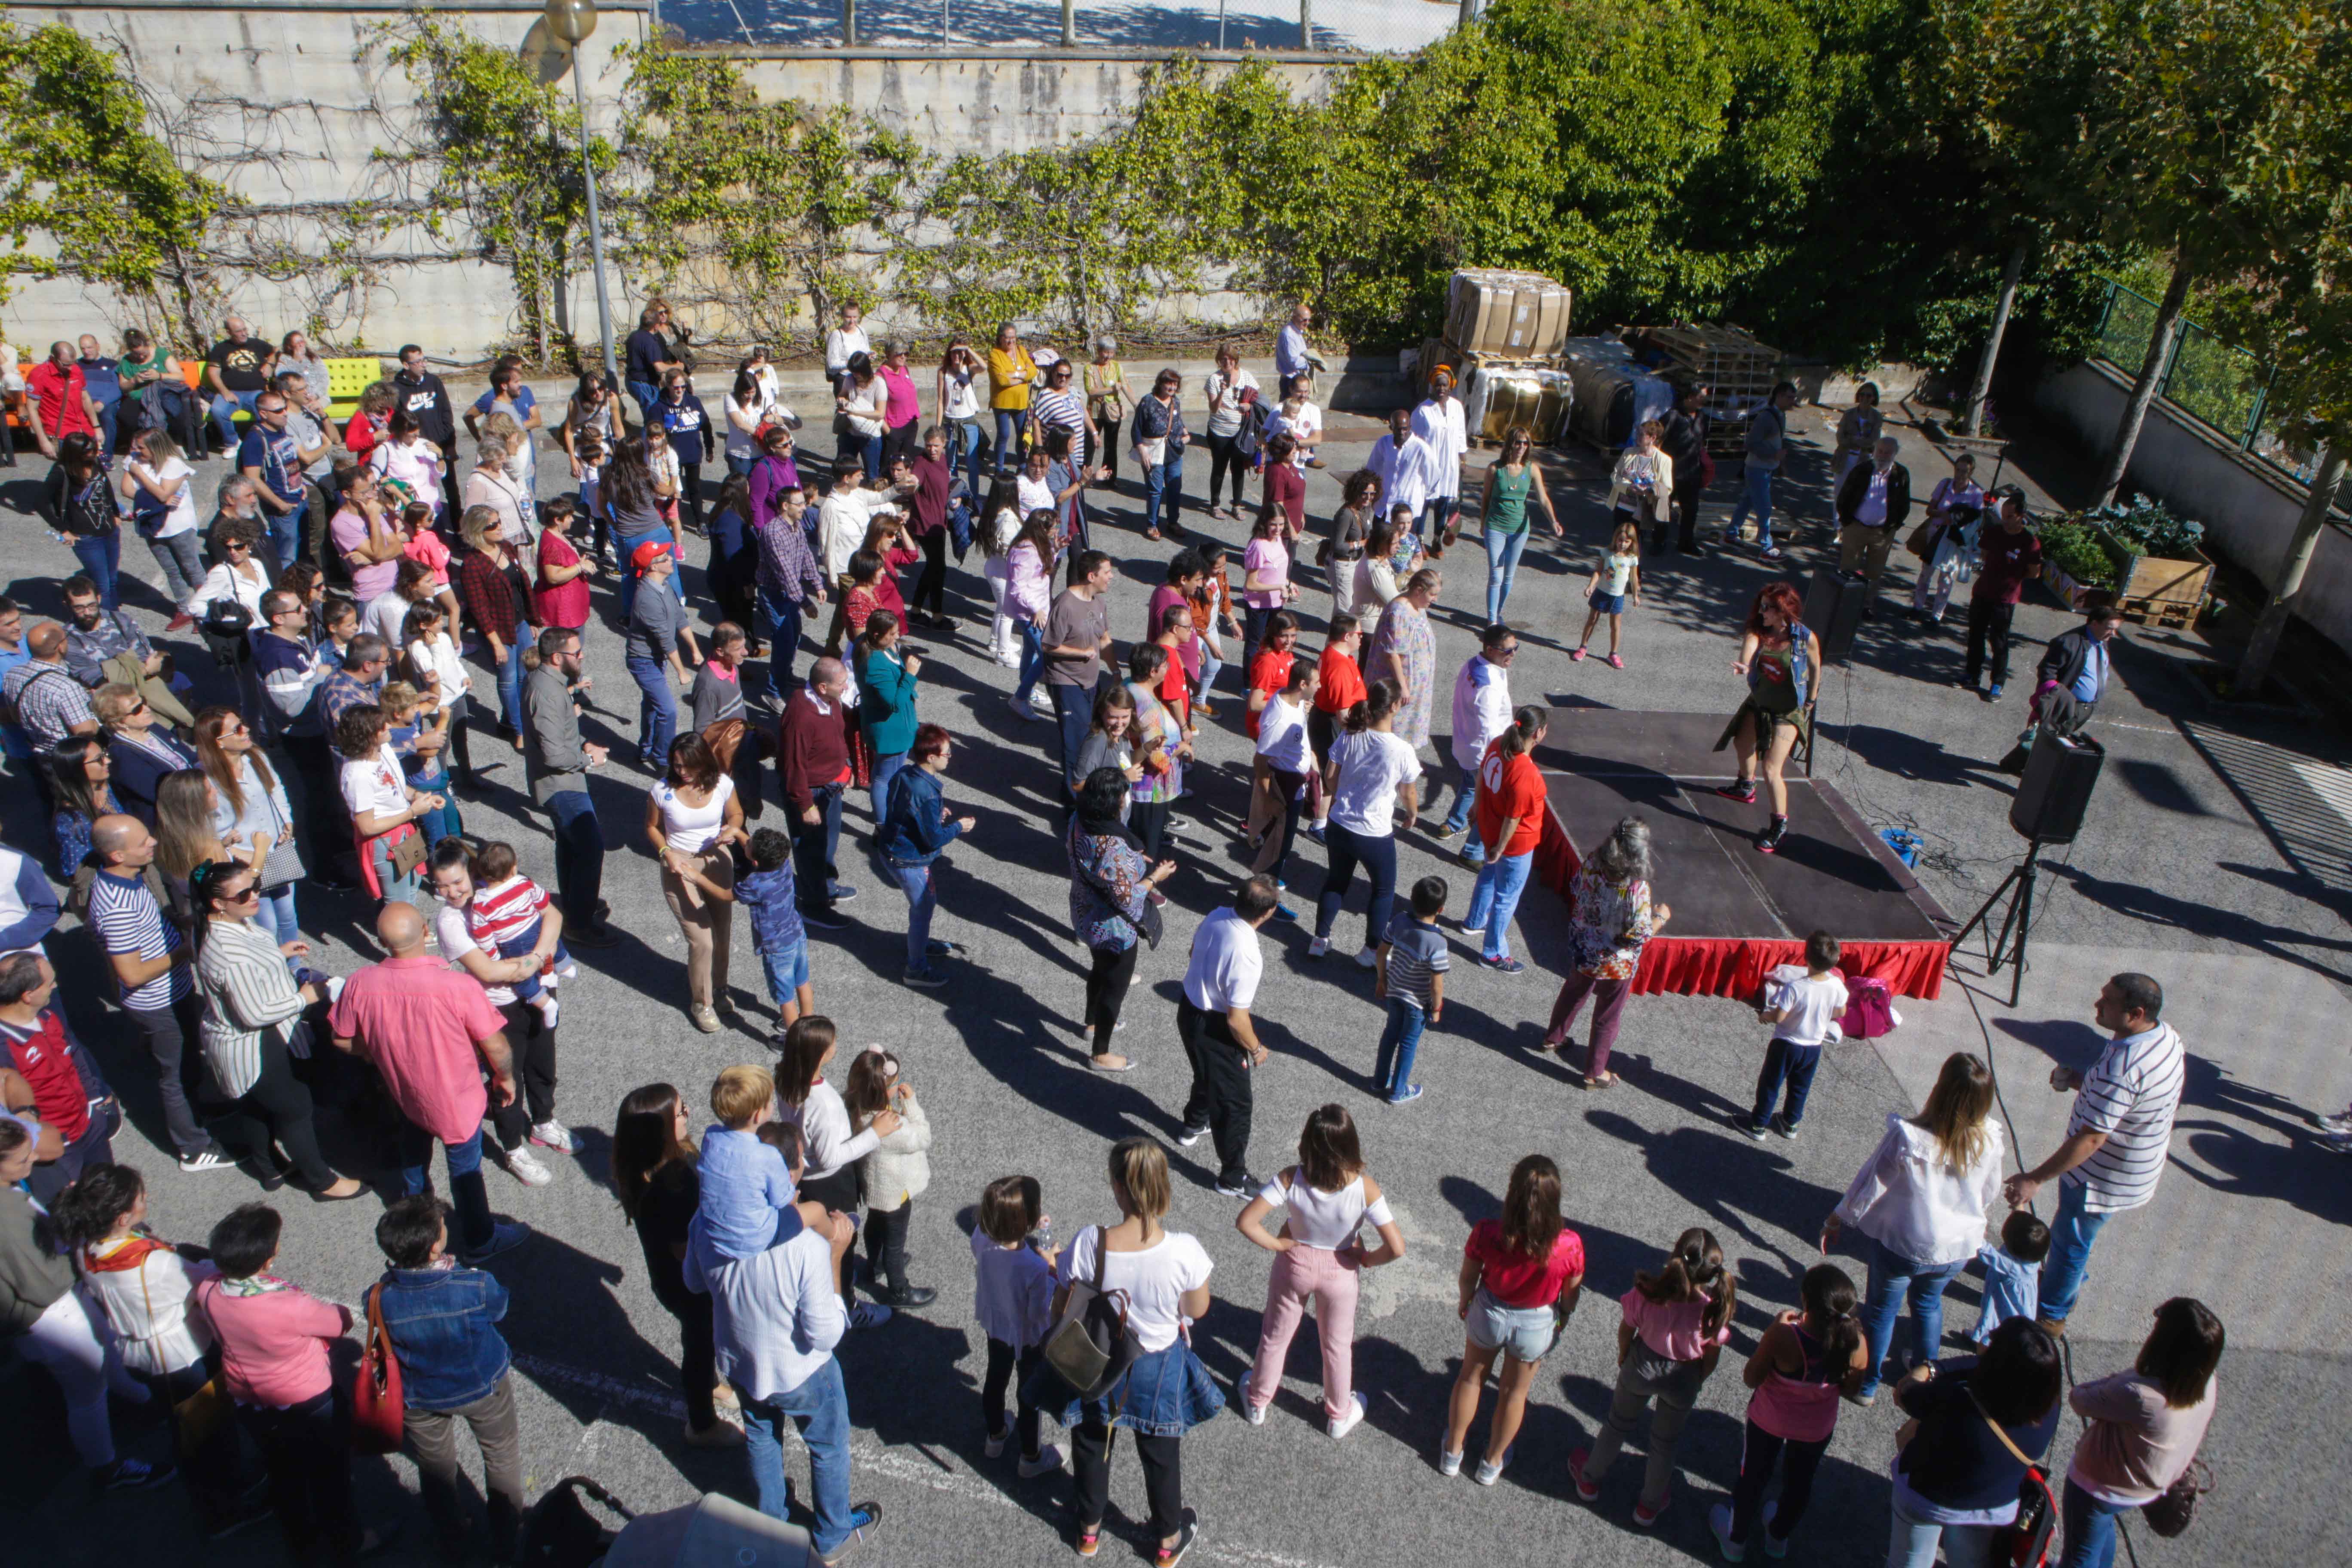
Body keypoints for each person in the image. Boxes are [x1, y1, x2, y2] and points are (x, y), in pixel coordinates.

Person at [684, 1115, 885, 1563]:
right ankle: (831, 1535)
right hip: (800, 1370)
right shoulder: (805, 1248)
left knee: (761, 1435)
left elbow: (694, 1283)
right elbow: (826, 1333)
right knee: (828, 1447)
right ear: (792, 1173)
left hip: (741, 1360)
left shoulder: (708, 1223)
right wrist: (835, 1256)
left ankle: (770, 1522)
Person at [51, 1163, 269, 1533]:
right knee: (204, 1434)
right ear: (123, 1217)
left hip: (143, 1351)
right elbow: (205, 1280)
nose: (146, 1198)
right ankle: (223, 1510)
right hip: (181, 1354)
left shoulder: (86, 1246)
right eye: (141, 1197)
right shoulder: (155, 1264)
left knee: (194, 1427)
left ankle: (234, 1479)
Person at [330, 902, 530, 1263]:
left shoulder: (361, 983)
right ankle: (480, 1238)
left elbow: (342, 1039)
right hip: (457, 1102)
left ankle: (421, 1231)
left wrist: (374, 1053)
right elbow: (496, 1045)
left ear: (381, 941)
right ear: (427, 932)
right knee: (465, 1171)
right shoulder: (458, 986)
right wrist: (506, 1079)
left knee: (413, 1162)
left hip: (402, 1093)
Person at [1048, 1137, 1218, 1563]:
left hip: (1100, 1359)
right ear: (1162, 1186)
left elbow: (1065, 1295)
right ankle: (1166, 1542)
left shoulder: (1092, 1241)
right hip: (1158, 1363)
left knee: (1091, 1441)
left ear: (1118, 1188)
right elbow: (1197, 1308)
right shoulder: (1185, 1251)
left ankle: (1089, 1532)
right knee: (1160, 1451)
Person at [196, 1203, 385, 1558]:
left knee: (284, 1472)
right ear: (268, 1259)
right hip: (308, 1399)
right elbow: (340, 1322)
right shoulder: (287, 1305)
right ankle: (349, 1541)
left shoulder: (208, 1290)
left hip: (248, 1397)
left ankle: (302, 1543)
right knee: (331, 1475)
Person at [2003, 974, 2185, 1338]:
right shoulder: (2165, 1038)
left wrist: (2034, 1179)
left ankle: (2051, 1315)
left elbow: (2091, 1140)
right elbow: (2129, 1101)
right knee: (2073, 1239)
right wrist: (2081, 1081)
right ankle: (2062, 1278)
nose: (2097, 1005)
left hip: (2099, 1178)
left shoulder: (2125, 1068)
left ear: (2135, 1013)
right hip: (2132, 1168)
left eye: (2108, 1002)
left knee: (2070, 1240)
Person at [1823, 1051, 2006, 1403]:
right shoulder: (1989, 1139)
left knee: (1879, 1311)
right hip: (1956, 1246)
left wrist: (1838, 1218)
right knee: (1928, 1303)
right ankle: (1925, 1372)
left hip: (1903, 1244)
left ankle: (1866, 1384)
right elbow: (1990, 1191)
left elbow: (1871, 1182)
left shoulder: (1910, 1137)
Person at [0, 1121, 172, 1491]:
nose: (33, 1157)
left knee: (104, 1353)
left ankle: (145, 1403)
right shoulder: (6, 1215)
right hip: (52, 1315)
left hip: (59, 1307)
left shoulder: (9, 1191)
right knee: (86, 1396)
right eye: (21, 1158)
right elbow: (42, 1283)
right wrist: (83, 1250)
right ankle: (108, 1468)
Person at [187, 862, 362, 1198]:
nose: (254, 895)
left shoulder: (224, 924)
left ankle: (269, 1168)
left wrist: (277, 954)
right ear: (218, 903)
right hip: (255, 1040)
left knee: (256, 1105)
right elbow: (256, 1014)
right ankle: (323, 1182)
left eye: (254, 886)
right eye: (243, 894)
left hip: (242, 1040)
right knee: (295, 1107)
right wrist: (305, 997)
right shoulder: (228, 953)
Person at [371, 1195, 527, 1562]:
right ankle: (508, 1532)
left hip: (419, 1394)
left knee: (435, 1464)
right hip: (481, 1386)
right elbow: (499, 1307)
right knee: (501, 1454)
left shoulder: (379, 1297)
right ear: (435, 1245)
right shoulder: (474, 1285)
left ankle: (452, 1533)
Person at [1234, 1103, 1404, 1439]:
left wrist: (1279, 1245)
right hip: (1341, 1271)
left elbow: (1246, 1222)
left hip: (1295, 1265)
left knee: (1276, 1336)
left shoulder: (1291, 1177)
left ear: (1307, 1143)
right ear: (1351, 1146)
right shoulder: (1365, 1187)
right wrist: (1366, 1259)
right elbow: (1397, 1247)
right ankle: (1339, 1415)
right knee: (1337, 1346)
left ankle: (1257, 1401)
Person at [89, 814, 233, 1172]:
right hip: (157, 1002)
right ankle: (193, 1148)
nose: (153, 841)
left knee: (186, 1060)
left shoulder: (128, 881)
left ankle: (198, 1109)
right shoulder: (118, 905)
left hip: (174, 989)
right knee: (173, 1071)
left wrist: (176, 927)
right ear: (118, 856)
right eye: (142, 842)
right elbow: (132, 973)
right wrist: (184, 951)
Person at [611, 1083, 749, 1449]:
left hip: (671, 1280)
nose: (689, 1114)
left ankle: (710, 1384)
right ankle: (701, 1424)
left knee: (702, 1339)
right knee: (700, 1344)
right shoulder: (669, 1187)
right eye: (681, 1112)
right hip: (689, 1284)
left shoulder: (649, 1166)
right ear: (660, 1131)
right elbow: (685, 1250)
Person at [422, 844, 568, 1186]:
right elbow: (487, 972)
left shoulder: (504, 884)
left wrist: (532, 959)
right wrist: (537, 959)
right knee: (507, 1079)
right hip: (497, 1006)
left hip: (537, 990)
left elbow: (555, 916)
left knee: (543, 1060)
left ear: (472, 874)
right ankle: (513, 1147)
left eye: (457, 882)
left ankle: (544, 1122)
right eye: (441, 886)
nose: (451, 892)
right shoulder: (450, 921)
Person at [1571, 1228, 1737, 1525]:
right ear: (1711, 1274)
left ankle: (1589, 1478)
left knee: (1617, 1424)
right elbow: (1711, 1356)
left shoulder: (1648, 1291)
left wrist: (1624, 1354)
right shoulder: (1712, 1310)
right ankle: (1649, 1505)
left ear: (1675, 1257)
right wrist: (1697, 1378)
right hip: (1684, 1377)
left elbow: (1627, 1329)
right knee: (1665, 1442)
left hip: (1642, 1364)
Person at [1710, 1262, 1870, 1560]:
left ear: (1805, 1301)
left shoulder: (1785, 1336)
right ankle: (1778, 1538)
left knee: (1753, 1478)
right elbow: (1850, 1390)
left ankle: (1736, 1540)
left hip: (1768, 1422)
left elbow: (1751, 1378)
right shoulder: (1857, 1343)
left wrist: (1774, 1328)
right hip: (1816, 1429)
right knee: (1800, 1483)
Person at [1441, 1154, 1584, 1484]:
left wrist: (1466, 1302)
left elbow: (1468, 1277)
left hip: (1489, 1311)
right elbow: (1571, 1295)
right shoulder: (1570, 1245)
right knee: (1513, 1393)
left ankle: (1452, 1451)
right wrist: (1562, 1317)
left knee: (1470, 1378)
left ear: (1512, 1194)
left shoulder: (1488, 1232)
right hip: (1536, 1324)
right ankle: (1491, 1463)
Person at [1885, 1317, 2064, 1568]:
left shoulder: (1958, 1405)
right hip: (1994, 1505)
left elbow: (1908, 1396)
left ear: (1997, 1366)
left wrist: (1929, 1370)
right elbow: (1987, 1365)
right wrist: (1939, 1369)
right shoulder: (2050, 1406)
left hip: (1928, 1498)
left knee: (1909, 1561)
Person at [2056, 1298, 2222, 1568]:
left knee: (2080, 1555)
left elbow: (2080, 1398)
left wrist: (2129, 1377)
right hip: (2144, 1489)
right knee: (2099, 1530)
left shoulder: (2139, 1395)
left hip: (2098, 1486)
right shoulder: (2206, 1384)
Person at [775, 1016, 900, 1327]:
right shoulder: (824, 1104)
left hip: (806, 1177)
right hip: (831, 1184)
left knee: (823, 1239)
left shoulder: (784, 1077)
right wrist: (876, 1134)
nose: (836, 1046)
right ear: (819, 1054)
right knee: (841, 1241)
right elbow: (832, 1158)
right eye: (832, 1043)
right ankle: (848, 1306)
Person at [1540, 815, 1670, 1087]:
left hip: (1584, 948)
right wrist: (1660, 918)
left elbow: (1576, 887)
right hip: (1616, 961)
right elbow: (1638, 934)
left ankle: (1553, 1038)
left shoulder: (1593, 862)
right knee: (1608, 1015)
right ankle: (1595, 1072)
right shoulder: (1637, 887)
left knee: (1573, 992)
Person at [1175, 875, 1279, 1198]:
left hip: (1188, 1011)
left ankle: (1195, 1122)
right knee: (1235, 1104)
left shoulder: (1217, 913)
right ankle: (1233, 1178)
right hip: (1217, 1028)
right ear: (1268, 912)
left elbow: (1193, 952)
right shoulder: (1248, 953)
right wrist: (1257, 1048)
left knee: (1205, 1073)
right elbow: (1237, 1020)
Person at [1068, 766, 1172, 1073]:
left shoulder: (1080, 819)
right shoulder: (1112, 848)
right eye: (1124, 793)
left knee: (1099, 971)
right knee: (1115, 986)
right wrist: (1154, 878)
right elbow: (1126, 898)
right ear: (1116, 802)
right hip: (1113, 928)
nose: (1127, 797)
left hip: (1084, 912)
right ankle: (1100, 1054)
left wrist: (1134, 859)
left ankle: (1091, 1023)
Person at [1309, 678, 1420, 965]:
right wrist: (1412, 813)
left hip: (1339, 824)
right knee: (1383, 891)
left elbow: (1330, 780)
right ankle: (1370, 952)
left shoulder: (1350, 735)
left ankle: (1320, 940)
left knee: (1336, 880)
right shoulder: (1402, 750)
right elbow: (1408, 793)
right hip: (1375, 833)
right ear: (1395, 706)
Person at [522, 627, 620, 946]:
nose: (582, 657)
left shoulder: (551, 684)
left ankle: (576, 906)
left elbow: (561, 734)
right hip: (561, 786)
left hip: (564, 781)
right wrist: (589, 761)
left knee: (570, 848)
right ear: (556, 657)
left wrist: (584, 743)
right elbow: (553, 754)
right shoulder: (548, 693)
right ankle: (579, 924)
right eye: (576, 653)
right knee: (589, 850)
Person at [644, 733, 744, 1032]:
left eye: (688, 766)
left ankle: (720, 986)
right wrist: (666, 853)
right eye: (676, 765)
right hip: (680, 864)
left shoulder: (722, 784)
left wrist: (733, 829)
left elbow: (737, 813)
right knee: (702, 938)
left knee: (722, 930)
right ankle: (702, 1002)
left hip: (717, 859)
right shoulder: (662, 791)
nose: (682, 772)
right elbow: (651, 827)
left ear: (703, 761)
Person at [1713, 581, 1821, 854]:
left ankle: (1779, 825)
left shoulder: (1804, 638)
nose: (1762, 613)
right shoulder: (1758, 631)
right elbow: (1749, 650)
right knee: (1742, 743)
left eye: (1768, 609)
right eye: (1761, 607)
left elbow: (1816, 665)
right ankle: (1746, 786)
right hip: (1760, 701)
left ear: (1784, 611)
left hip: (1788, 711)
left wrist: (1811, 699)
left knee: (1772, 769)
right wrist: (1745, 665)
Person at [0, 954, 115, 1201]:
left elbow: (73, 1054)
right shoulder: (5, 1048)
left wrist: (94, 1101)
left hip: (89, 1124)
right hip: (58, 1147)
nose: (55, 986)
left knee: (110, 1192)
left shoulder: (48, 1017)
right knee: (74, 1207)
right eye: (49, 983)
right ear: (27, 995)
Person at [970, 1175, 1061, 1474]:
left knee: (996, 1378)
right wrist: (1051, 1270)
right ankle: (1031, 1456)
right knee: (1028, 1393)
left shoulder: (982, 1241)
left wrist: (1035, 1228)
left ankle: (996, 1434)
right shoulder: (1034, 1268)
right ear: (1029, 1222)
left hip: (996, 1324)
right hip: (1027, 1338)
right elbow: (1037, 1314)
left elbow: (989, 1234)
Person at [876, 722, 972, 989]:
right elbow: (933, 840)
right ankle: (915, 968)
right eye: (947, 753)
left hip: (891, 849)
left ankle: (920, 943)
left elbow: (901, 809)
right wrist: (958, 827)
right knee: (923, 908)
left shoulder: (905, 773)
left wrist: (932, 816)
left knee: (921, 908)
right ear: (931, 758)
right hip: (910, 860)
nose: (950, 757)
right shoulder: (928, 793)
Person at [844, 1048, 934, 1307]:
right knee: (896, 1243)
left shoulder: (854, 1108)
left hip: (874, 1190)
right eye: (895, 1083)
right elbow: (923, 1137)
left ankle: (874, 1265)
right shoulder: (893, 1125)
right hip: (896, 1192)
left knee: (875, 1225)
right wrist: (912, 1104)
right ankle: (899, 1291)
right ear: (886, 1091)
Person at [1459, 706, 1547, 972]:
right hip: (1514, 844)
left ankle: (1475, 921)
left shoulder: (1498, 744)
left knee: (1488, 876)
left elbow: (1482, 778)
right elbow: (1514, 817)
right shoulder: (1526, 773)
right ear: (1539, 733)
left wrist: (1476, 808)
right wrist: (1501, 847)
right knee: (1506, 898)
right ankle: (1493, 953)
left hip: (1489, 828)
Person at [1740, 930, 1851, 1140]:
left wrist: (1765, 1015)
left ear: (1806, 957)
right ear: (1836, 960)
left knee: (1771, 1084)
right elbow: (1841, 1011)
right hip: (1813, 1047)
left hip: (1786, 1044)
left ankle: (1758, 1124)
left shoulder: (1796, 987)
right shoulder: (1836, 985)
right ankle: (1791, 1123)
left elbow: (1780, 1017)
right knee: (1800, 1087)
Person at [779, 656, 857, 930]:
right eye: (842, 683)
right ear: (822, 687)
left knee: (828, 842)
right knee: (810, 849)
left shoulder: (830, 702)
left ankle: (826, 886)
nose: (847, 687)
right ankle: (814, 906)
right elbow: (793, 766)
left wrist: (845, 766)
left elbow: (838, 735)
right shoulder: (801, 715)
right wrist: (805, 805)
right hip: (811, 792)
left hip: (831, 785)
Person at [64, 576, 196, 731]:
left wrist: (126, 671)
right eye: (79, 608)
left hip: (147, 691)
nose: (87, 613)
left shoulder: (120, 620)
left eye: (92, 606)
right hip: (117, 704)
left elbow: (146, 655)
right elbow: (99, 682)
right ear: (67, 606)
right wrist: (144, 671)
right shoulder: (68, 639)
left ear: (99, 599)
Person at [456, 505, 540, 745]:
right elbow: (479, 609)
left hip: (520, 622)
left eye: (499, 521)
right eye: (493, 525)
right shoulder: (473, 564)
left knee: (526, 675)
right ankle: (519, 730)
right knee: (509, 678)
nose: (499, 527)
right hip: (498, 630)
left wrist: (532, 619)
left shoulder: (506, 548)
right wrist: (496, 644)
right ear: (478, 531)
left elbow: (522, 587)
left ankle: (516, 719)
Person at [1436, 623, 1517, 858]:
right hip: (1484, 753)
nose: (1513, 654)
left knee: (1470, 785)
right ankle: (1473, 853)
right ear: (1491, 649)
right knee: (1489, 804)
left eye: (1515, 648)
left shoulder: (1474, 664)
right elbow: (1489, 728)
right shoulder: (1489, 686)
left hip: (1466, 745)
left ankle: (1452, 824)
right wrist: (1499, 759)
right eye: (1508, 651)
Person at [1043, 549, 1116, 797]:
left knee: (1092, 735)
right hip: (1067, 681)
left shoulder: (1099, 602)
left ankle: (1082, 788)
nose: (1112, 576)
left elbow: (1104, 639)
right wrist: (1081, 653)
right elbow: (1048, 645)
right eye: (1107, 572)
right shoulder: (1065, 604)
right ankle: (1075, 802)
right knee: (1075, 744)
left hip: (1091, 681)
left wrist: (1116, 671)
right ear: (1091, 575)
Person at [1371, 877, 1449, 1105]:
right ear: (1441, 909)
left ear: (1412, 900)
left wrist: (1381, 980)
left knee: (1390, 1036)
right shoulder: (1437, 942)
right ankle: (1397, 1092)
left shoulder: (1399, 921)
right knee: (1408, 1043)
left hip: (1394, 991)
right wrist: (1437, 1008)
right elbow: (1437, 984)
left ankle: (1379, 1081)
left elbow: (1381, 952)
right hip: (1417, 1003)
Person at [1476, 426, 1562, 623]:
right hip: (1495, 527)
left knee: (1508, 578)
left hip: (1520, 530)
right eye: (1518, 442)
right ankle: (1492, 621)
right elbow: (1486, 499)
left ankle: (1498, 613)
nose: (1522, 447)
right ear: (1509, 444)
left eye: (1526, 443)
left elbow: (1543, 499)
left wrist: (1554, 521)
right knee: (1496, 577)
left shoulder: (1532, 469)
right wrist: (1483, 524)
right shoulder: (1494, 469)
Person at [118, 429, 204, 624]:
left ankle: (205, 610)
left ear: (156, 447)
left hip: (178, 524)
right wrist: (157, 500)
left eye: (142, 447)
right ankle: (184, 609)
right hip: (152, 524)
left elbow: (164, 494)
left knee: (192, 567)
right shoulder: (133, 459)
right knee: (171, 570)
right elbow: (127, 490)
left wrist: (139, 474)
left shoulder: (173, 464)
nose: (137, 451)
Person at [38, 432, 123, 609]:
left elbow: (107, 489)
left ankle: (114, 617)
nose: (94, 453)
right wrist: (63, 530)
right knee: (103, 585)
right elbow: (40, 502)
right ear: (75, 453)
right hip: (85, 537)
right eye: (89, 451)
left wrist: (116, 514)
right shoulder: (61, 472)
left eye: (94, 449)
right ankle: (108, 622)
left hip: (109, 529)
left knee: (113, 579)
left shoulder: (95, 463)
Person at [1835, 435, 1914, 612]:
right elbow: (1844, 498)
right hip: (1856, 527)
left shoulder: (1901, 475)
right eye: (1880, 451)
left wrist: (1894, 526)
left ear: (1895, 454)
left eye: (1888, 453)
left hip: (1882, 532)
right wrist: (1846, 523)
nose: (1883, 456)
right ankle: (1845, 605)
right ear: (1875, 451)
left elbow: (1904, 504)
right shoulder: (1861, 470)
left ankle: (1867, 605)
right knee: (1849, 568)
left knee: (1875, 573)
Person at [1367, 567, 1441, 754]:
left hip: (1416, 688)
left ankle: (1403, 760)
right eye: (1433, 594)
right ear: (1418, 590)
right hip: (1400, 687)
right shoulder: (1398, 611)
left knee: (1406, 743)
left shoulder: (1418, 606)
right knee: (1393, 738)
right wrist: (1403, 686)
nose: (1435, 599)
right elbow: (1393, 654)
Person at [1911, 452, 1988, 622]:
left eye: (1964, 472)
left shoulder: (1975, 494)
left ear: (1971, 473)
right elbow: (1930, 510)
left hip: (1954, 540)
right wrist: (1944, 514)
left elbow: (1978, 522)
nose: (1960, 475)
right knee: (1926, 573)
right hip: (1936, 532)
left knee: (1946, 578)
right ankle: (1917, 607)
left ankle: (1936, 616)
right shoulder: (1945, 484)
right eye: (1958, 470)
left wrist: (1956, 519)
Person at [1725, 380, 1797, 560]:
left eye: (1794, 398)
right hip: (1758, 469)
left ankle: (1731, 534)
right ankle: (1767, 547)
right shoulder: (1767, 417)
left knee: (1746, 503)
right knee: (1765, 508)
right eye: (1789, 397)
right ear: (1779, 396)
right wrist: (1774, 455)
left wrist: (1777, 460)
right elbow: (1750, 443)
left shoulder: (1780, 415)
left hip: (1764, 469)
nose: (1792, 401)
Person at [6, 621, 99, 753]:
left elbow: (16, 718)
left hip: (41, 754)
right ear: (60, 647)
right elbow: (86, 732)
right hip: (69, 758)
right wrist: (97, 708)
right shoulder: (66, 687)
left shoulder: (13, 675)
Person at [1969, 1210, 2052, 1348]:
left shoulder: (2012, 1267)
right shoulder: (2031, 1256)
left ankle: (1983, 1350)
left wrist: (1972, 1232)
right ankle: (1979, 1336)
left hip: (2010, 1311)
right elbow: (2026, 1229)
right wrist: (2018, 1205)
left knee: (1998, 1330)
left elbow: (1985, 1252)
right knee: (1991, 1316)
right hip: (2008, 1298)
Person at [1366, 407, 1442, 551]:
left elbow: (1434, 477)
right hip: (1384, 508)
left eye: (1405, 429)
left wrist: (1421, 498)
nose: (1402, 433)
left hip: (1407, 513)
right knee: (1379, 549)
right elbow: (1372, 470)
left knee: (1402, 553)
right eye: (1398, 429)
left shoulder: (1421, 448)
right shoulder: (1384, 443)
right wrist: (1373, 495)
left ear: (1411, 427)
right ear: (1391, 427)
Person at [1572, 519, 1645, 668]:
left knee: (1616, 626)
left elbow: (1634, 577)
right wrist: (1591, 586)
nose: (1622, 544)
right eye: (1620, 540)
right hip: (1601, 592)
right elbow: (1599, 571)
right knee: (1592, 620)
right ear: (1615, 538)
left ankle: (1614, 654)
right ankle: (1583, 647)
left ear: (1632, 542)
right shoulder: (1607, 553)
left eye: (1627, 541)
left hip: (1617, 597)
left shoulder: (1632, 559)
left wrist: (1636, 596)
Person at [1412, 369, 1469, 554]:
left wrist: (1463, 460)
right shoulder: (1423, 410)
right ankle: (1419, 541)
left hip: (1450, 463)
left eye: (1445, 385)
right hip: (1428, 464)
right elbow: (1415, 440)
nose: (1441, 389)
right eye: (1438, 385)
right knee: (1424, 502)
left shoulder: (1457, 407)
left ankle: (1437, 539)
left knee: (1444, 502)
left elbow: (1461, 434)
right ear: (1432, 386)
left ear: (1450, 386)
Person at [1200, 342, 1259, 520]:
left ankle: (1237, 505)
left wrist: (1249, 405)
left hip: (1240, 432)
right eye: (1224, 360)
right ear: (1219, 361)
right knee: (1219, 468)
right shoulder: (1214, 379)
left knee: (1238, 469)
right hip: (1219, 431)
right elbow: (1213, 408)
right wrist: (1221, 392)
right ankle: (1215, 504)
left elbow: (1258, 399)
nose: (1228, 363)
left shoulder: (1246, 377)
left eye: (1232, 359)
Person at [47, 735, 119, 875]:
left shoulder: (109, 788)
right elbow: (77, 873)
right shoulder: (71, 821)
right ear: (77, 769)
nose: (108, 761)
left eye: (105, 754)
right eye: (99, 759)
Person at [1132, 367, 1188, 541]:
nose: (1172, 387)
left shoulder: (1175, 401)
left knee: (1174, 488)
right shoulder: (1147, 402)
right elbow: (1136, 429)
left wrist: (1186, 433)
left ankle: (1173, 522)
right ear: (1160, 383)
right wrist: (1142, 450)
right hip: (1153, 451)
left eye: (1175, 384)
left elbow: (1177, 421)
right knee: (1155, 491)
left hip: (1173, 450)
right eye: (1168, 383)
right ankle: (1152, 525)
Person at [1659, 381, 1711, 555]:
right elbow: (1657, 442)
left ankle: (1686, 543)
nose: (1704, 401)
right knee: (1663, 509)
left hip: (1692, 472)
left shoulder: (1702, 417)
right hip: (1670, 472)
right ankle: (1659, 542)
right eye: (1701, 397)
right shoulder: (1672, 416)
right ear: (1689, 397)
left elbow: (1702, 442)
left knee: (1691, 510)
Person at [1832, 381, 1885, 490]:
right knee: (1839, 492)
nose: (1865, 398)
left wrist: (1854, 440)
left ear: (1874, 398)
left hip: (1863, 459)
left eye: (1869, 396)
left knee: (1857, 493)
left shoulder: (1877, 417)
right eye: (1862, 395)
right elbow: (1840, 437)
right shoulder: (1848, 414)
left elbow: (1874, 441)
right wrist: (1860, 442)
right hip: (1844, 458)